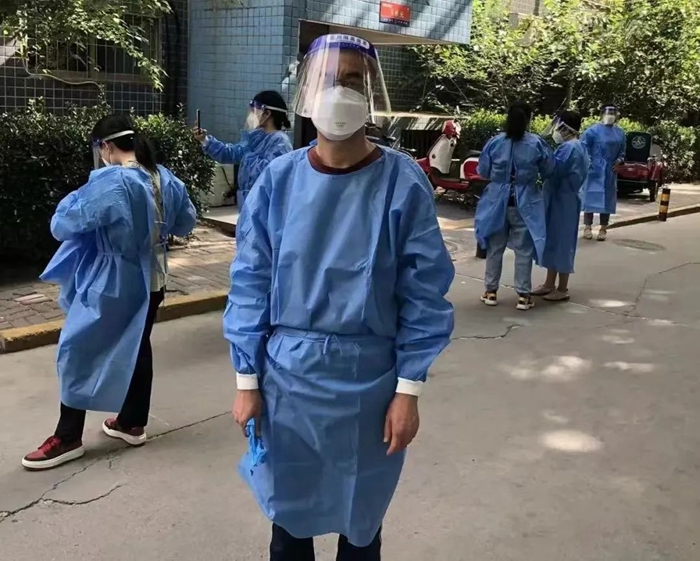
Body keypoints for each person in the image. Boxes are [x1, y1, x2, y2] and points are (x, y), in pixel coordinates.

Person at [223, 34, 455, 561]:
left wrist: (408, 391)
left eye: (353, 82)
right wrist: (246, 381)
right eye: (329, 80)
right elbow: (250, 283)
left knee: (361, 529)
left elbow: (424, 295)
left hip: (370, 386)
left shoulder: (401, 182)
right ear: (307, 91)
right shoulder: (280, 180)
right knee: (289, 528)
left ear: (370, 96)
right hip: (287, 382)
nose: (339, 93)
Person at [22, 114, 197, 470]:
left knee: (77, 348)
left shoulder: (112, 181)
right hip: (154, 278)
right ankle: (131, 422)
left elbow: (62, 224)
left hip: (112, 279)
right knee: (137, 343)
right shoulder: (165, 177)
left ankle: (67, 436)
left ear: (105, 146)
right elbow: (185, 222)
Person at [475, 101, 554, 310]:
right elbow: (548, 170)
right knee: (523, 249)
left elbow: (483, 170)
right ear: (529, 119)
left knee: (495, 248)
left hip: (496, 201)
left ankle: (490, 291)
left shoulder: (495, 142)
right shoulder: (536, 143)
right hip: (525, 201)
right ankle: (523, 295)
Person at [194, 90, 293, 207]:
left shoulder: (280, 142)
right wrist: (205, 140)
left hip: (266, 205)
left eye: (254, 110)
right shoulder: (256, 137)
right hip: (249, 203)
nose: (251, 115)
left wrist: (248, 156)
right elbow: (230, 153)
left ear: (267, 113)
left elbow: (271, 175)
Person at [532, 111, 590, 301]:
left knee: (563, 242)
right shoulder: (576, 146)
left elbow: (554, 171)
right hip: (561, 199)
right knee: (553, 240)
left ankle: (562, 287)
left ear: (565, 127)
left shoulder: (570, 148)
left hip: (563, 200)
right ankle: (549, 283)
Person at [580, 104, 626, 241]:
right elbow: (583, 147)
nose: (610, 115)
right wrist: (588, 162)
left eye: (613, 113)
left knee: (607, 198)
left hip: (610, 169)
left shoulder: (620, 133)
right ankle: (587, 227)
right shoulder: (592, 131)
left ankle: (603, 228)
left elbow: (622, 151)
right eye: (608, 112)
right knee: (591, 196)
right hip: (594, 169)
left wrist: (619, 161)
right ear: (602, 114)